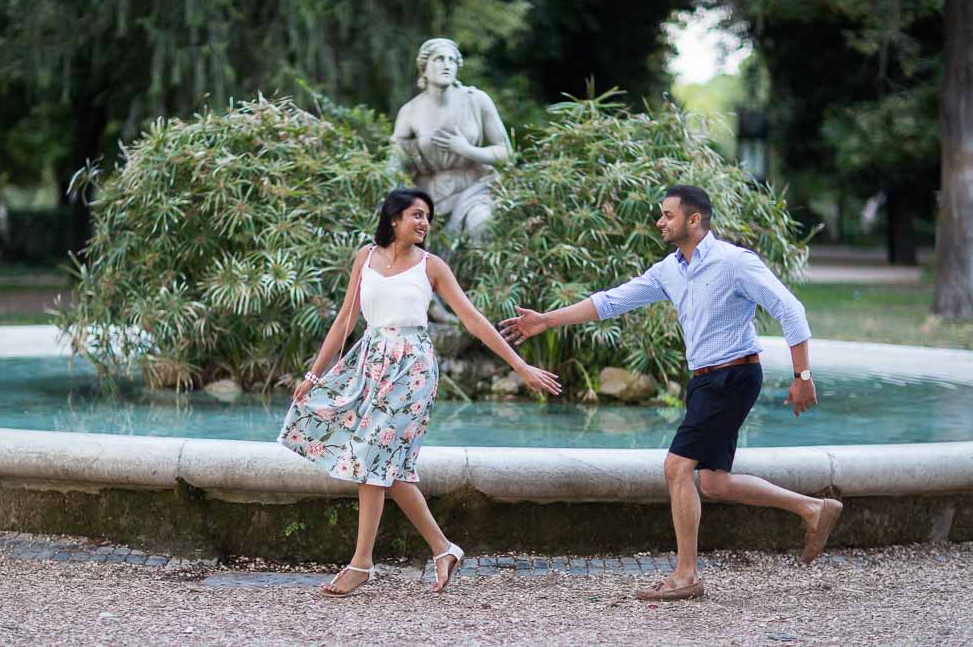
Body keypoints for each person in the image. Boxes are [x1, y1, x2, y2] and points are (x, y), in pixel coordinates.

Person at [499, 184, 842, 602]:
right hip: (704, 381)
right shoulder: (671, 269)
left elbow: (790, 309)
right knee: (714, 483)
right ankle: (812, 509)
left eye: (667, 215)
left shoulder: (735, 263)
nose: (660, 222)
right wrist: (546, 321)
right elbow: (611, 302)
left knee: (676, 467)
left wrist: (802, 374)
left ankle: (686, 575)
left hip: (733, 376)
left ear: (693, 220)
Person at [277, 187, 561, 597]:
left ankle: (361, 564)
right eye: (416, 214)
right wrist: (315, 373)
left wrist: (520, 366)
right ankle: (443, 549)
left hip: (412, 368)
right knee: (384, 467)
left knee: (372, 455)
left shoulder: (432, 266)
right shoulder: (365, 257)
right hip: (370, 361)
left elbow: (474, 321)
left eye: (427, 216)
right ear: (393, 219)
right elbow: (344, 321)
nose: (424, 223)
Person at [390, 38, 512, 243]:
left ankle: (478, 273)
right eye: (439, 59)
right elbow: (394, 163)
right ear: (424, 69)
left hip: (475, 187)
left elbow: (507, 153)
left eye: (452, 60)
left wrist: (467, 150)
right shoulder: (410, 112)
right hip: (430, 195)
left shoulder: (477, 100)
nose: (446, 65)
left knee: (481, 224)